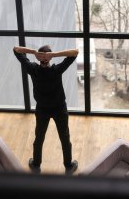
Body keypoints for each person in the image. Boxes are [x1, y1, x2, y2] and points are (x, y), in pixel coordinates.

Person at [13, 45, 79, 175]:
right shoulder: (56, 70)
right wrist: (54, 54)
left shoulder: (33, 69)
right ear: (49, 59)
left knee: (39, 137)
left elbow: (16, 49)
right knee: (65, 137)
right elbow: (75, 52)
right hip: (59, 109)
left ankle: (36, 164)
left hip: (42, 109)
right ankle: (68, 165)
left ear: (39, 58)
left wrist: (33, 52)